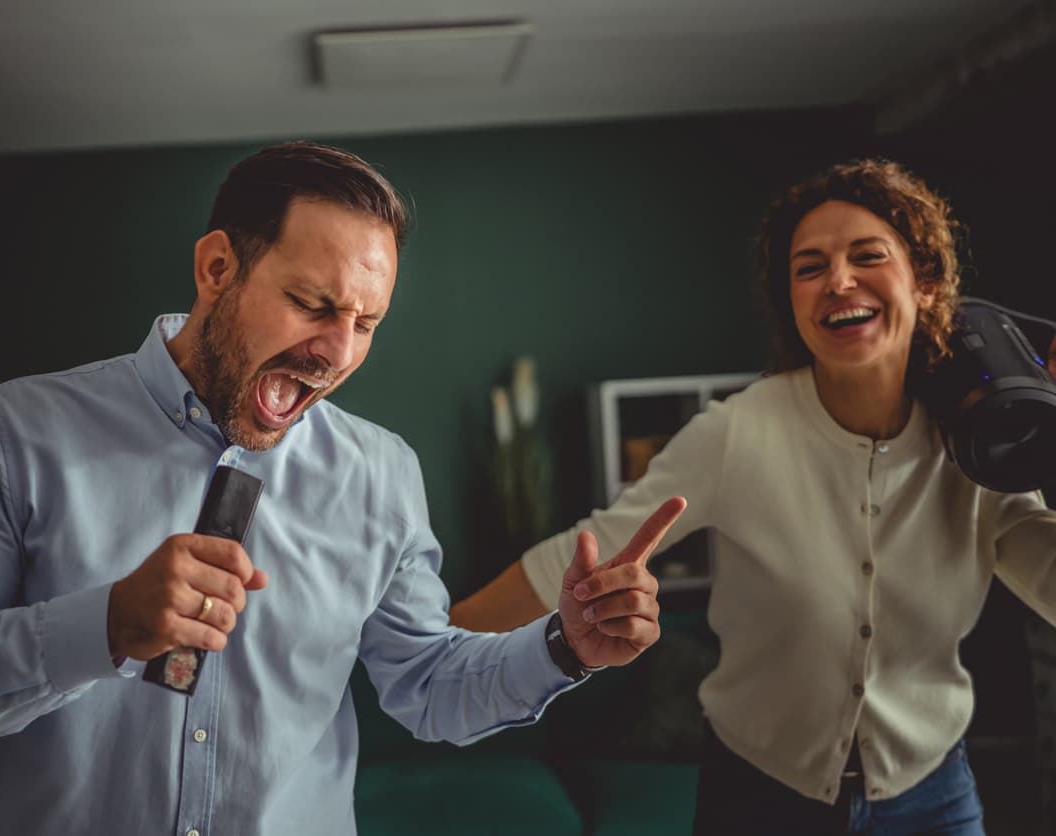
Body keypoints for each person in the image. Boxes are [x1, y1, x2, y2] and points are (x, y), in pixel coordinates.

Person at [0, 142, 685, 836]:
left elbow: (428, 685)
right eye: (312, 304)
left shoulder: (381, 473)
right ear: (218, 267)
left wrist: (565, 645)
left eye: (366, 323)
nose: (337, 352)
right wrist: (103, 624)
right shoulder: (16, 432)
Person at [450, 158, 1056, 835]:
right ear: (791, 303)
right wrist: (428, 644)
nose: (838, 281)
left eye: (867, 256)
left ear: (925, 280)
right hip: (762, 797)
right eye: (809, 267)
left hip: (933, 794)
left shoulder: (979, 441)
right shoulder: (735, 433)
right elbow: (577, 557)